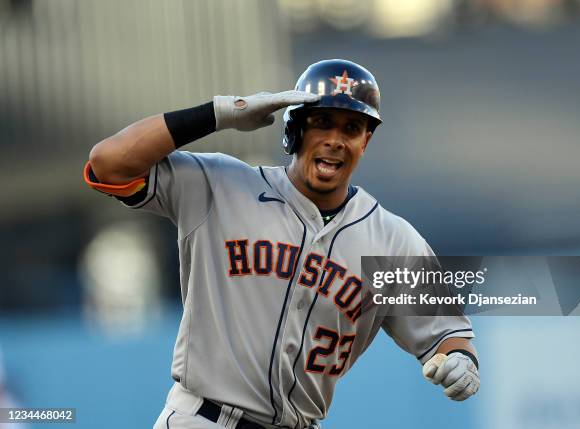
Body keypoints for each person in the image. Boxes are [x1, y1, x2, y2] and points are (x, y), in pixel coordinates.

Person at [84, 59, 480, 429]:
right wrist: (220, 112)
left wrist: (460, 360)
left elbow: (446, 334)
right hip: (202, 419)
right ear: (295, 129)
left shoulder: (392, 240)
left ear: (366, 142)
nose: (335, 140)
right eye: (322, 122)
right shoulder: (219, 186)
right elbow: (108, 163)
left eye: (351, 128)